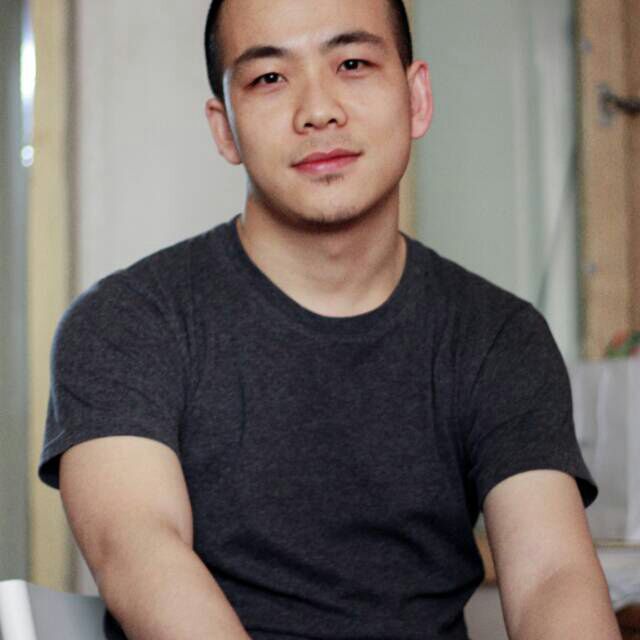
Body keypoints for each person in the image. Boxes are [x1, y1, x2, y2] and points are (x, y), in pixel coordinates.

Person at [39, 1, 621, 638]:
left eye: (352, 64)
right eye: (269, 78)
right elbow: (140, 553)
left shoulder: (498, 337)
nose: (318, 110)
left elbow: (552, 576)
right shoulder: (126, 324)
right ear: (225, 129)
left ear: (416, 97)